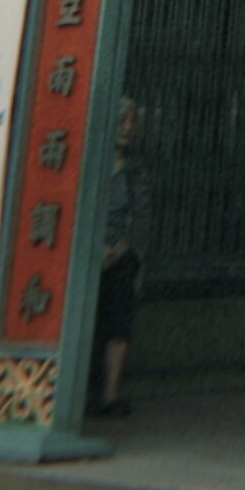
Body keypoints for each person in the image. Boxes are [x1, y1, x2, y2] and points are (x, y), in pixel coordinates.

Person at [91, 97, 145, 419]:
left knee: (118, 322)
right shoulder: (92, 164)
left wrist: (122, 247)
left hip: (120, 254)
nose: (127, 129)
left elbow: (141, 214)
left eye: (131, 122)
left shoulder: (134, 169)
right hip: (89, 253)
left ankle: (110, 393)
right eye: (121, 121)